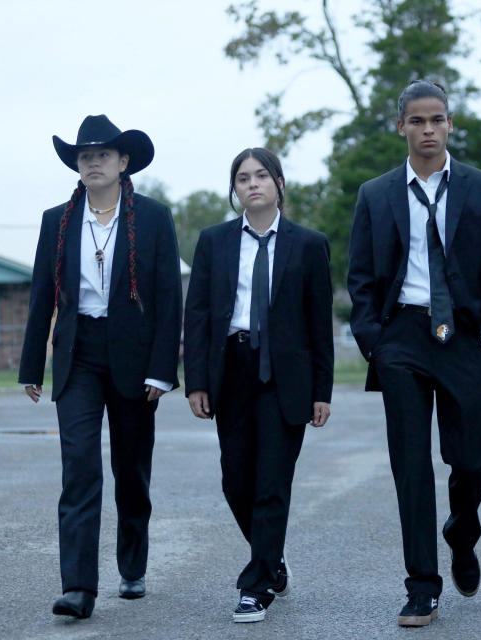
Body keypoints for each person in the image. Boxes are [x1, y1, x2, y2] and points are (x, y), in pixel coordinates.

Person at [347, 80, 481, 627]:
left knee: (472, 460)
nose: (427, 130)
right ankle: (422, 585)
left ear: (449, 125)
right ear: (401, 126)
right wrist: (375, 339)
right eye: (416, 121)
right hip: (402, 337)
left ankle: (461, 534)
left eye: (437, 120)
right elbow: (362, 279)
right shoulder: (376, 194)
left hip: (465, 337)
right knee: (411, 466)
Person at [18, 114, 182, 619]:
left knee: (130, 470)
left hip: (134, 358)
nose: (92, 162)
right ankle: (79, 588)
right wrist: (31, 366)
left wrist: (162, 370)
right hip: (79, 355)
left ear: (122, 162)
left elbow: (168, 297)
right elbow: (43, 294)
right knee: (81, 469)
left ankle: (132, 566)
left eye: (102, 155)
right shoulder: (57, 220)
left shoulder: (152, 218)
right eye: (84, 156)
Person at [183, 147, 333, 624]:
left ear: (279, 183)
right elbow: (200, 315)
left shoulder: (308, 245)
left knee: (272, 481)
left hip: (287, 377)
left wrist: (322, 390)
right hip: (233, 370)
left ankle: (257, 583)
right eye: (243, 178)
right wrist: (196, 382)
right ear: (235, 190)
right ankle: (271, 555)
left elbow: (318, 322)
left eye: (262, 176)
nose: (253, 184)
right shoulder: (214, 241)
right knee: (236, 478)